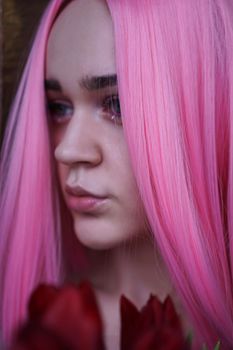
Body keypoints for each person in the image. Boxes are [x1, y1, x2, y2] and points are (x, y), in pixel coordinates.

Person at [0, 0, 233, 349]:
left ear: (205, 108)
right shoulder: (32, 323)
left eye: (116, 103)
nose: (67, 151)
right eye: (58, 107)